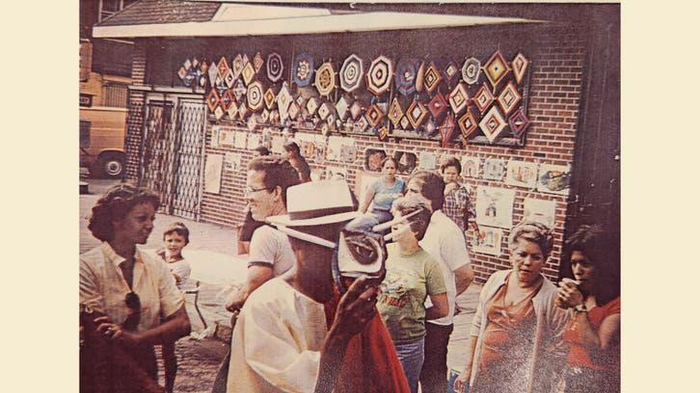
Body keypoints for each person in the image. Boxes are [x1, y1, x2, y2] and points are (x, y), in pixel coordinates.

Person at [226, 180, 388, 392]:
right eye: (333, 245)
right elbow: (308, 385)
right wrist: (340, 334)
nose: (343, 256)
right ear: (297, 243)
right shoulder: (265, 307)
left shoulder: (343, 299)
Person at [80, 184, 191, 390]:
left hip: (144, 362)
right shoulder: (87, 266)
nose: (150, 225)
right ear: (117, 220)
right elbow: (100, 339)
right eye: (142, 218)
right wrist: (149, 387)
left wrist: (135, 338)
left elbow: (183, 323)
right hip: (100, 373)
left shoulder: (155, 263)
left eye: (152, 219)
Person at [213, 156, 301, 393]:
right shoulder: (302, 231)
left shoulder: (266, 234)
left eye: (253, 189)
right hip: (295, 332)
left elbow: (254, 284)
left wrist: (233, 298)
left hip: (264, 333)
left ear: (276, 193)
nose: (246, 196)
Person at [453, 221, 570, 393]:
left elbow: (561, 348)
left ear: (545, 260)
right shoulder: (496, 280)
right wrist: (469, 368)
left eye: (536, 257)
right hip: (485, 375)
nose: (527, 262)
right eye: (522, 254)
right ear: (511, 254)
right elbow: (478, 325)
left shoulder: (551, 297)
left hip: (521, 383)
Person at [404, 170, 474, 393]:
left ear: (431, 197)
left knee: (432, 376)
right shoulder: (410, 223)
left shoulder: (446, 230)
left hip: (435, 320)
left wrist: (445, 296)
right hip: (409, 315)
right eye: (407, 190)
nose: (408, 196)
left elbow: (465, 276)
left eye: (414, 192)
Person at [377, 195, 449, 393]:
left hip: (407, 346)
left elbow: (443, 309)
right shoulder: (382, 252)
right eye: (394, 219)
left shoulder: (428, 263)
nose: (393, 225)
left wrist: (415, 315)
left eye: (400, 222)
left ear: (416, 229)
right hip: (377, 338)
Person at [556, 225, 620, 393]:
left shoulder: (616, 304)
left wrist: (578, 308)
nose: (577, 270)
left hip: (597, 384)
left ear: (602, 265)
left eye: (585, 264)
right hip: (571, 379)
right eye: (574, 263)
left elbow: (597, 350)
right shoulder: (584, 296)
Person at [156, 221, 193, 393]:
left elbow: (167, 280)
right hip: (154, 307)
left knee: (167, 349)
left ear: (185, 243)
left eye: (178, 241)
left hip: (170, 310)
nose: (173, 244)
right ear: (164, 240)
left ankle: (168, 387)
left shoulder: (182, 265)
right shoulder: (159, 256)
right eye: (169, 240)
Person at [238, 145, 273, 254]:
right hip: (254, 207)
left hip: (265, 208)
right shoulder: (253, 171)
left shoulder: (269, 173)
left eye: (257, 156)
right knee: (245, 235)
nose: (254, 159)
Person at [359, 157, 406, 225]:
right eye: (387, 168)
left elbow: (406, 201)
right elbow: (366, 203)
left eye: (392, 168)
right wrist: (359, 216)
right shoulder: (376, 183)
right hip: (378, 216)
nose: (389, 171)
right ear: (382, 169)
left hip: (395, 217)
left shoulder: (401, 184)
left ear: (396, 170)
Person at [440, 157, 478, 237]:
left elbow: (470, 211)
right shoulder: (437, 188)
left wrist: (476, 230)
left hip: (458, 231)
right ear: (443, 173)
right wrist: (445, 192)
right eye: (448, 173)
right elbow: (433, 207)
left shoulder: (462, 190)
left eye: (453, 174)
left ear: (458, 175)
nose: (450, 176)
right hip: (441, 231)